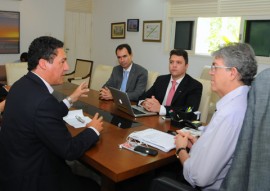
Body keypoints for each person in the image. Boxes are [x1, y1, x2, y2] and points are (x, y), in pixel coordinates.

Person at [0, 36, 103, 191]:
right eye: (62, 61)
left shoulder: (20, 85)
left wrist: (71, 99)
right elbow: (69, 150)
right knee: (94, 185)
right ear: (43, 64)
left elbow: (43, 115)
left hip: (13, 169)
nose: (67, 67)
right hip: (34, 178)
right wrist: (93, 129)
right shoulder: (43, 101)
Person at [174, 43, 257, 190]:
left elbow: (200, 177)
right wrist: (197, 145)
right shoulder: (243, 101)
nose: (211, 72)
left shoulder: (229, 114)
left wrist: (181, 150)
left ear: (232, 72)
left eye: (215, 67)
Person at [138, 49, 202, 116]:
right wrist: (144, 103)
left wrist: (161, 109)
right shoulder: (161, 79)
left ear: (186, 66)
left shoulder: (194, 86)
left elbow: (189, 110)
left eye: (178, 62)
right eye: (171, 62)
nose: (174, 65)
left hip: (175, 122)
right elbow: (143, 97)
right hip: (155, 118)